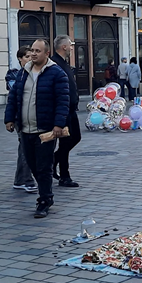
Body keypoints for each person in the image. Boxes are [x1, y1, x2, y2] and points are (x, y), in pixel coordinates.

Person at [4, 39, 70, 218]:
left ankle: (44, 199)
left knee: (43, 167)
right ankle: (44, 192)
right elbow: (14, 97)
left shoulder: (56, 73)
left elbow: (63, 101)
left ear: (47, 53)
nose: (33, 54)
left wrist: (58, 124)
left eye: (37, 51)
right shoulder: (23, 73)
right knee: (32, 164)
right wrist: (9, 118)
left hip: (45, 130)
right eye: (32, 50)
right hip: (25, 129)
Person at [51, 35, 81, 188]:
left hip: (70, 109)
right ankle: (64, 176)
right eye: (70, 45)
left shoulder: (64, 63)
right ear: (63, 47)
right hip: (63, 110)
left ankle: (54, 161)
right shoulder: (55, 64)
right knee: (66, 141)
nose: (71, 48)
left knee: (75, 137)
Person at [6, 46, 37, 193]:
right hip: (21, 117)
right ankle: (27, 180)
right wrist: (9, 119)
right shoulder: (15, 75)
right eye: (27, 57)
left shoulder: (34, 74)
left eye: (32, 56)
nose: (30, 59)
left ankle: (20, 180)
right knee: (26, 149)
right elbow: (13, 98)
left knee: (24, 149)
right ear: (20, 59)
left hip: (31, 116)